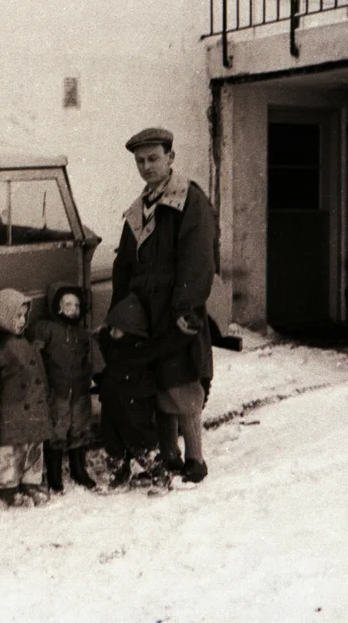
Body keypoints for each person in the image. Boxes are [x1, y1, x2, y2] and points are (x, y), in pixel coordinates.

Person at [110, 127, 216, 483]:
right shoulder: (138, 209)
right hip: (145, 314)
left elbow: (198, 259)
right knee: (157, 383)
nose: (146, 166)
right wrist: (120, 312)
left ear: (170, 158)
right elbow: (124, 265)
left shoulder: (190, 202)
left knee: (181, 382)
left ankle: (195, 460)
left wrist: (185, 308)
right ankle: (169, 455)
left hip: (176, 311)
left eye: (153, 158)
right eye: (140, 161)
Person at [97, 293, 198, 489]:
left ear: (132, 331)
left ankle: (160, 475)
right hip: (111, 401)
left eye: (117, 331)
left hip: (134, 403)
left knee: (141, 440)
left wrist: (184, 333)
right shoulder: (112, 345)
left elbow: (165, 345)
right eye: (111, 329)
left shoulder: (141, 349)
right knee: (113, 440)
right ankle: (119, 474)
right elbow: (105, 344)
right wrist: (101, 335)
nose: (112, 333)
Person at [0, 287, 56, 507]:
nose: (22, 321)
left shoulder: (26, 342)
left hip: (33, 406)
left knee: (34, 448)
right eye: (17, 316)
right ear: (3, 317)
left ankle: (31, 483)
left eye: (24, 316)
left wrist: (45, 398)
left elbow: (39, 374)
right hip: (11, 411)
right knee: (10, 452)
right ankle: (8, 489)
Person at [31, 283, 97, 493]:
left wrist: (88, 379)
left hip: (79, 390)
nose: (73, 309)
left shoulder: (81, 334)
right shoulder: (47, 330)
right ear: (57, 307)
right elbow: (35, 356)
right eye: (68, 304)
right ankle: (54, 476)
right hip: (57, 391)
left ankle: (79, 469)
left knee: (79, 427)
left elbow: (87, 360)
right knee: (57, 430)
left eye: (77, 305)